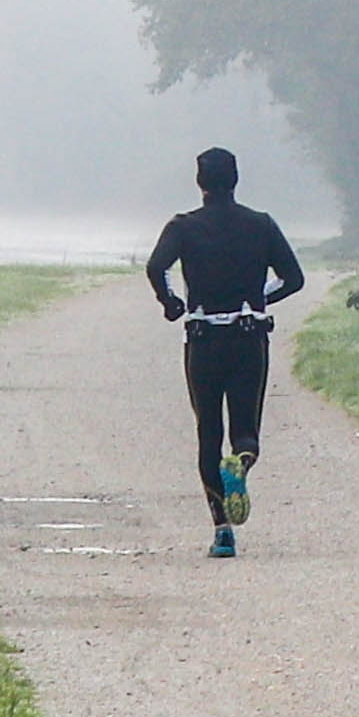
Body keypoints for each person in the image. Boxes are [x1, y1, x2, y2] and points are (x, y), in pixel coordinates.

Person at [143, 146, 304, 558]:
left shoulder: (183, 227)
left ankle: (222, 531)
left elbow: (155, 266)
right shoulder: (261, 225)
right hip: (249, 336)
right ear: (236, 180)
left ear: (200, 183)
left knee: (208, 433)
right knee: (245, 430)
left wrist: (171, 302)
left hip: (204, 339)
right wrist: (260, 299)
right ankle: (243, 463)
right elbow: (294, 278)